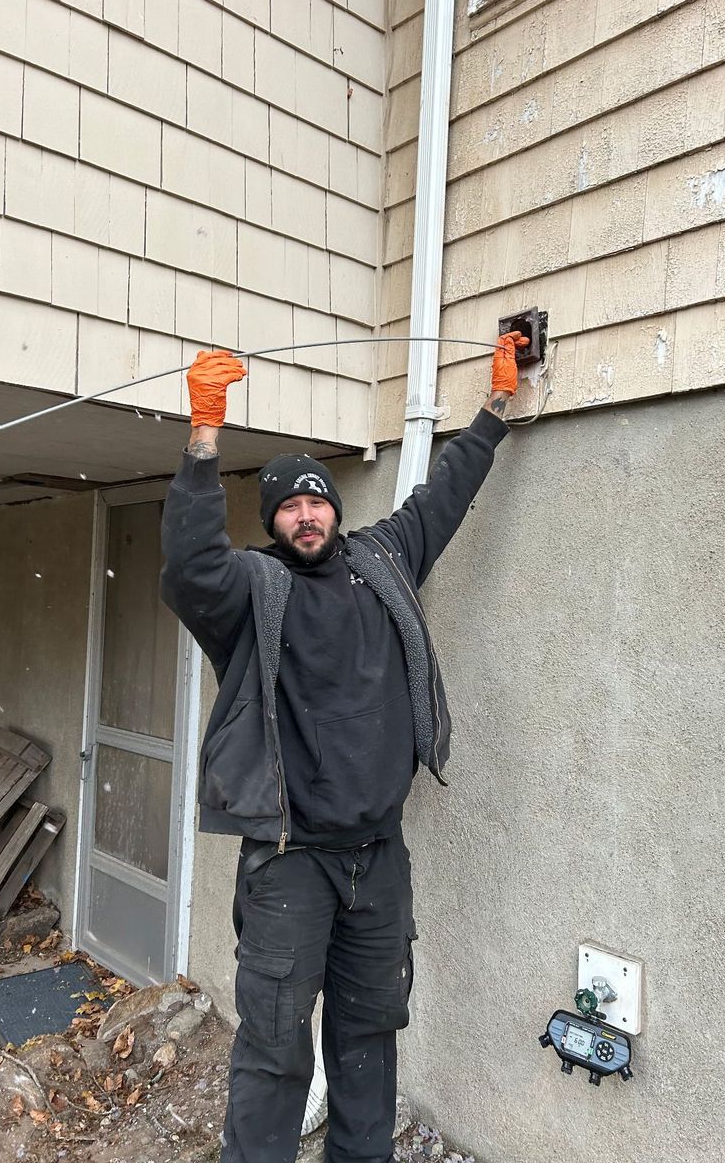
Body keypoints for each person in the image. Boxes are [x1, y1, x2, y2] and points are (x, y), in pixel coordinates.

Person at [160, 331, 528, 1163]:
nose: (306, 513)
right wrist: (203, 437)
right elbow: (187, 567)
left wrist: (496, 408)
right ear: (274, 523)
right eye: (288, 505)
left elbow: (447, 494)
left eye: (316, 499)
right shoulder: (251, 590)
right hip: (290, 860)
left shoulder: (384, 558)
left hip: (378, 859)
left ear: (335, 507)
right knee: (275, 1048)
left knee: (368, 1041)